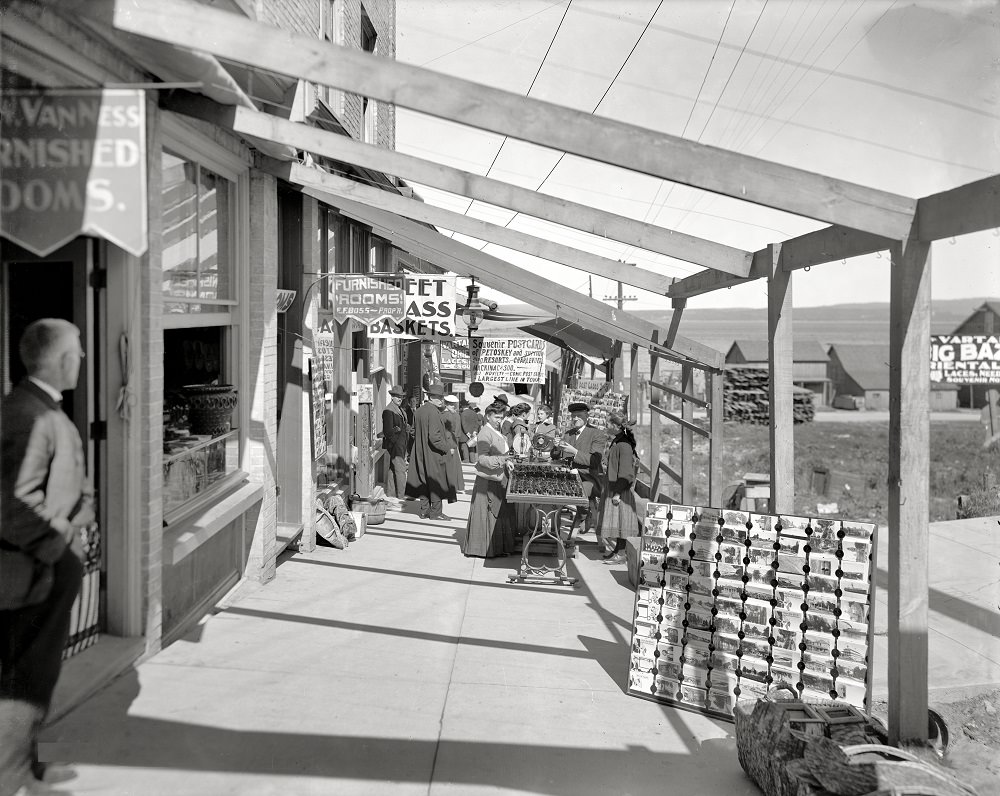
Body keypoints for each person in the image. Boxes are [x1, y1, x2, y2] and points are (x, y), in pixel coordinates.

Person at [1, 319, 90, 795]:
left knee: (34, 671)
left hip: (43, 568)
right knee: (23, 677)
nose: (82, 359)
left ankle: (25, 766)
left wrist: (83, 508)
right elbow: (12, 504)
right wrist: (59, 545)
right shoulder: (26, 413)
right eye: (78, 351)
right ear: (60, 360)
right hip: (31, 572)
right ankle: (10, 777)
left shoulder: (40, 407)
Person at [462, 401, 515, 558]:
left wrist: (508, 460)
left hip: (498, 478)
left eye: (501, 417)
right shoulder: (486, 432)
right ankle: (482, 549)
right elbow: (483, 459)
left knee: (496, 513)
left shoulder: (495, 430)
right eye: (496, 417)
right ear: (488, 416)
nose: (499, 420)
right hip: (488, 481)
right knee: (488, 514)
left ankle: (496, 548)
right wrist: (503, 459)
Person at [552, 401, 607, 541]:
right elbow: (555, 456)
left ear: (586, 416)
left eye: (579, 416)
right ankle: (554, 532)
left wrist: (574, 452)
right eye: (573, 416)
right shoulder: (568, 434)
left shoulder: (597, 434)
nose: (575, 418)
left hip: (589, 478)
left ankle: (583, 514)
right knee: (552, 493)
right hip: (569, 476)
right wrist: (557, 448)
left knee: (578, 492)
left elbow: (595, 461)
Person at [405, 383, 457, 520]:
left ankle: (424, 511)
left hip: (420, 451)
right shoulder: (434, 412)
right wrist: (447, 448)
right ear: (431, 397)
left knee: (423, 480)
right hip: (433, 453)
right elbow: (434, 438)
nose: (441, 400)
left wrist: (419, 443)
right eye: (438, 397)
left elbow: (413, 432)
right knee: (436, 481)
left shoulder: (419, 411)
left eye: (442, 397)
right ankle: (435, 513)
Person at [596, 412, 642, 564]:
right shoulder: (618, 441)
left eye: (609, 424)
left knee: (620, 522)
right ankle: (617, 550)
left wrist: (617, 493)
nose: (606, 426)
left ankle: (621, 554)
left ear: (616, 427)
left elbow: (626, 473)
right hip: (613, 485)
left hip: (619, 489)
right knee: (616, 522)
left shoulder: (624, 446)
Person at [380, 386, 410, 502]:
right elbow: (388, 431)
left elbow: (402, 425)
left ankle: (391, 494)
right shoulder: (389, 410)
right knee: (401, 470)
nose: (399, 399)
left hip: (402, 444)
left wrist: (405, 427)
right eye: (397, 396)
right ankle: (401, 496)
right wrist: (393, 442)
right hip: (396, 445)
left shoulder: (400, 409)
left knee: (393, 469)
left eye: (401, 397)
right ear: (392, 397)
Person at [441, 394, 466, 493]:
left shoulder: (445, 415)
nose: (454, 407)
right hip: (454, 442)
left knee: (449, 465)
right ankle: (455, 485)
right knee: (454, 465)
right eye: (452, 405)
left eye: (453, 405)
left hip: (449, 442)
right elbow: (457, 432)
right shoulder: (455, 415)